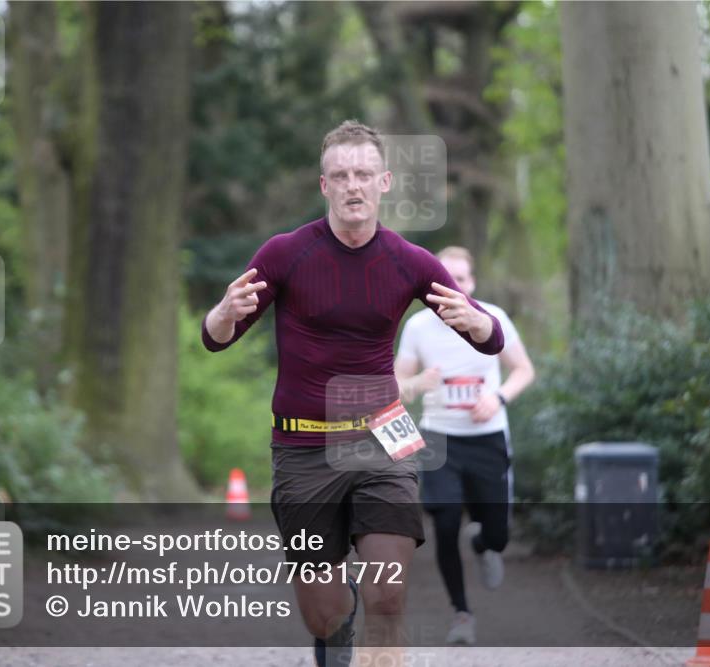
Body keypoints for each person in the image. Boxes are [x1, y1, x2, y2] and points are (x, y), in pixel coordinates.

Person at [201, 121, 504, 666]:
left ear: (384, 182)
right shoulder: (285, 253)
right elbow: (216, 337)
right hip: (303, 445)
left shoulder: (409, 260)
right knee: (325, 616)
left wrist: (478, 323)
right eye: (340, 176)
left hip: (384, 435)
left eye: (364, 174)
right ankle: (339, 622)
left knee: (387, 593)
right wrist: (223, 313)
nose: (353, 186)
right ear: (325, 185)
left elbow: (491, 337)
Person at [394, 246, 535, 646]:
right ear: (433, 285)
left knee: (498, 534)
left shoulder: (493, 317)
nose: (454, 285)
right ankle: (461, 614)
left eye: (462, 278)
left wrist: (499, 398)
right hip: (439, 439)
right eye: (446, 278)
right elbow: (397, 385)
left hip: (488, 438)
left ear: (472, 283)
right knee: (445, 524)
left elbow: (523, 369)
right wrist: (418, 383)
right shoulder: (418, 327)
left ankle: (483, 543)